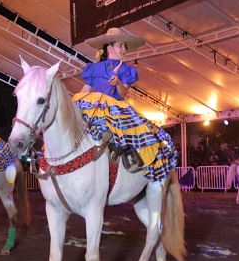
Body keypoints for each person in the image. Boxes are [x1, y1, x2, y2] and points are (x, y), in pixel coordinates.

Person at [74, 27, 176, 180]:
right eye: (120, 45)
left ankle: (130, 156)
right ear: (109, 47)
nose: (123, 49)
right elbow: (85, 91)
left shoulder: (127, 69)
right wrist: (73, 105)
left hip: (116, 106)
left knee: (135, 129)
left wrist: (119, 83)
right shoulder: (93, 68)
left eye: (124, 46)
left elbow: (122, 94)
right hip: (94, 106)